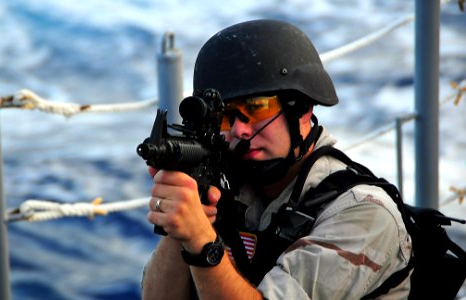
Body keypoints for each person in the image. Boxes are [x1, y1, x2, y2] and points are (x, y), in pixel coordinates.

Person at [141, 19, 412, 299]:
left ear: (303, 107)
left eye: (256, 107)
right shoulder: (231, 187)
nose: (239, 129)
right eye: (225, 115)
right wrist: (182, 227)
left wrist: (201, 242)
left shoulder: (364, 213)